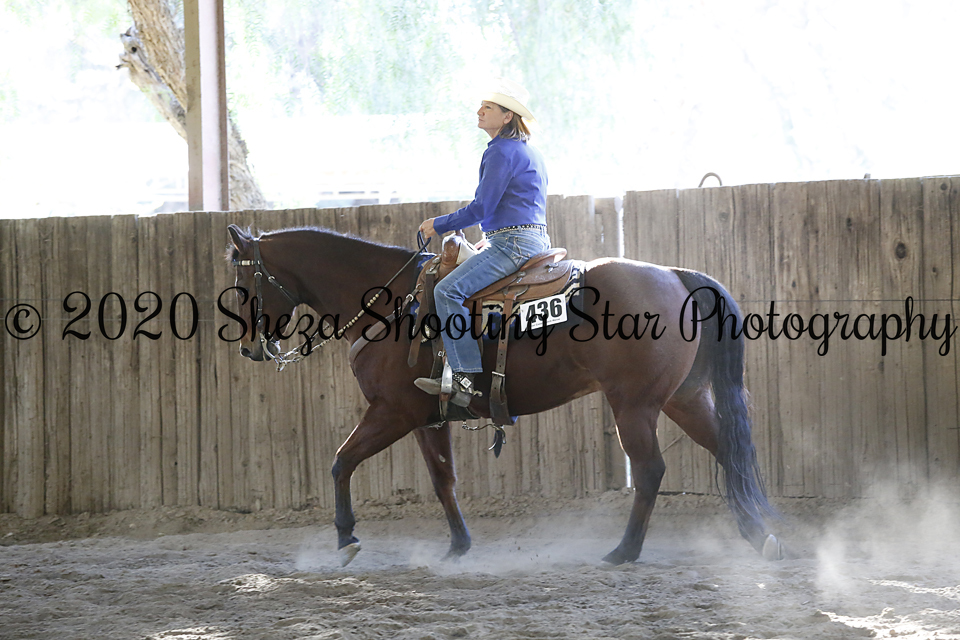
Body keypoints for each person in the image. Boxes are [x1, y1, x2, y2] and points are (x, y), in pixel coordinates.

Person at [415, 78, 550, 406]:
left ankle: (464, 378)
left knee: (446, 291)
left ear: (507, 116)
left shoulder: (500, 151)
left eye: (488, 107)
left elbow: (481, 208)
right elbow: (514, 207)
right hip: (528, 240)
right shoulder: (528, 151)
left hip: (512, 243)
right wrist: (488, 240)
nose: (479, 111)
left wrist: (438, 224)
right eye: (481, 106)